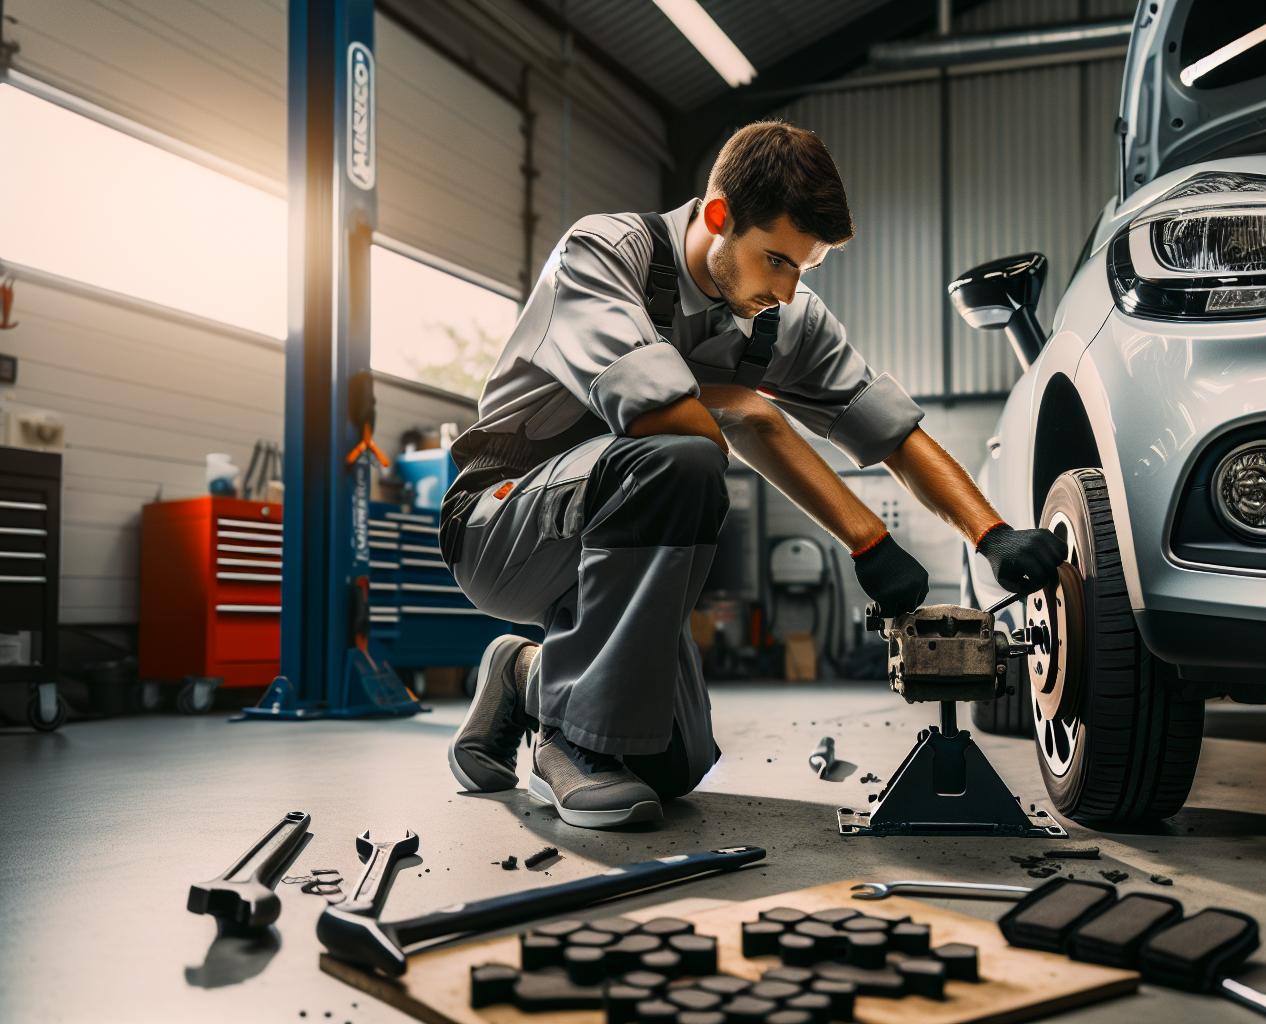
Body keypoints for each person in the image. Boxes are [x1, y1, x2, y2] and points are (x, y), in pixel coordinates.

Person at [440, 121, 1064, 829]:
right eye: (776, 260)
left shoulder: (781, 315)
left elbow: (890, 429)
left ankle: (523, 673)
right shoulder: (605, 254)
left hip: (611, 531)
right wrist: (760, 420)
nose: (789, 290)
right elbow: (663, 419)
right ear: (717, 217)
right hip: (500, 523)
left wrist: (992, 535)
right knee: (682, 457)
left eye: (805, 268)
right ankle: (573, 745)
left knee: (669, 765)